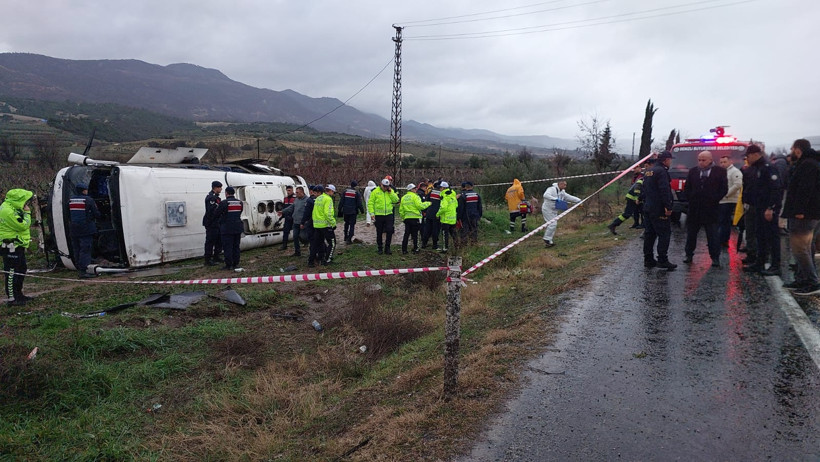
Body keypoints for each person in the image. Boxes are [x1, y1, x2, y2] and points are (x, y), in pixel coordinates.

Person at [781, 139, 820, 294]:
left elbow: (805, 188)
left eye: (793, 148)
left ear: (798, 149)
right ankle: (802, 279)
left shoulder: (807, 165)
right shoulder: (811, 163)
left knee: (800, 248)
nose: (791, 151)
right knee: (806, 247)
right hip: (810, 213)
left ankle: (812, 282)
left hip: (804, 214)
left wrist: (799, 210)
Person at [742, 145, 783, 276]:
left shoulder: (768, 167)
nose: (747, 159)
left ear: (755, 154)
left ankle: (776, 265)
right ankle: (760, 262)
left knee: (772, 237)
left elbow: (776, 188)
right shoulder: (756, 168)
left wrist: (771, 207)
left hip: (767, 208)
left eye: (748, 156)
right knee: (760, 236)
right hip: (758, 207)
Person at [682, 151, 728, 268]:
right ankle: (688, 255)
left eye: (703, 160)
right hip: (695, 209)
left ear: (710, 160)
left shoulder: (720, 171)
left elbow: (723, 189)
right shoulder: (693, 171)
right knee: (691, 234)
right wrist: (691, 198)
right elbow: (687, 188)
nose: (701, 162)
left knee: (712, 235)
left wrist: (714, 199)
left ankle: (715, 258)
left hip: (711, 209)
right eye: (699, 160)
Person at [642, 151, 678, 270]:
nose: (671, 161)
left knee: (650, 234)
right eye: (670, 159)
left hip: (648, 207)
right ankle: (662, 259)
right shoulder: (662, 172)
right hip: (659, 209)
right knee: (664, 234)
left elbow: (644, 189)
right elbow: (664, 191)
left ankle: (648, 259)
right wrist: (668, 207)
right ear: (666, 160)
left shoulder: (649, 171)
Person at [0, 189, 34, 305]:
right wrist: (27, 213)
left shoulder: (12, 208)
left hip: (17, 244)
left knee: (21, 268)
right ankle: (12, 298)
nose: (26, 204)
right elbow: (22, 225)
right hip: (10, 245)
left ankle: (19, 294)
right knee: (11, 271)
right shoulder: (8, 211)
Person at [69, 183, 102, 277]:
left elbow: (68, 215)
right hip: (86, 229)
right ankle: (84, 270)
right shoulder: (88, 200)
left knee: (77, 249)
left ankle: (79, 267)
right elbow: (96, 214)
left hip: (74, 229)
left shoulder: (70, 200)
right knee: (85, 249)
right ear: (84, 191)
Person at [542, 181, 581, 248]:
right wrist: (555, 199)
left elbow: (569, 197)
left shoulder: (562, 192)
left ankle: (549, 241)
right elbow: (545, 195)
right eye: (564, 185)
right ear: (560, 184)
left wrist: (579, 200)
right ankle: (547, 239)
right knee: (552, 224)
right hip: (547, 209)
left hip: (554, 210)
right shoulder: (551, 189)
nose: (565, 186)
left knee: (553, 225)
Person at [368, 178, 400, 255]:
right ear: (381, 185)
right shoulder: (375, 192)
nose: (385, 188)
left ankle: (387, 247)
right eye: (384, 186)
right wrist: (372, 214)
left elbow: (396, 200)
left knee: (389, 231)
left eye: (387, 186)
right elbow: (370, 203)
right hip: (379, 215)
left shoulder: (390, 191)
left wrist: (391, 192)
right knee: (379, 232)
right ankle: (380, 248)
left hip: (389, 214)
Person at [215, 186, 244, 270]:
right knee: (236, 246)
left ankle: (229, 264)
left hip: (227, 228)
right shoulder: (240, 203)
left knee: (228, 247)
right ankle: (236, 263)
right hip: (238, 227)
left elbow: (217, 213)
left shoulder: (224, 203)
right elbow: (239, 213)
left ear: (226, 193)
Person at [718, 156, 743, 249]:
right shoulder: (723, 171)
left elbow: (737, 184)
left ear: (730, 161)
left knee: (724, 221)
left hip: (729, 200)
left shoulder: (734, 172)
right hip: (722, 200)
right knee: (722, 221)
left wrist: (727, 194)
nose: (722, 164)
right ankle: (721, 239)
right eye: (721, 162)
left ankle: (723, 240)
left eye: (724, 162)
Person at [399, 183, 430, 254]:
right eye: (415, 188)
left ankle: (404, 249)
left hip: (407, 218)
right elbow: (420, 206)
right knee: (415, 234)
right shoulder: (415, 197)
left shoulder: (403, 197)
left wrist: (403, 217)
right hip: (415, 217)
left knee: (406, 234)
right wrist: (428, 203)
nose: (416, 189)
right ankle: (416, 248)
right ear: (412, 189)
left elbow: (401, 210)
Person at [279, 186, 307, 257]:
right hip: (295, 221)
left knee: (304, 237)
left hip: (303, 222)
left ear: (302, 192)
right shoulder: (296, 200)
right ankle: (297, 252)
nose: (296, 194)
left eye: (297, 192)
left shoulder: (307, 200)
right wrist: (282, 212)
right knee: (295, 237)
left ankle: (310, 246)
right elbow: (291, 207)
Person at [313, 185, 336, 265]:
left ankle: (320, 258)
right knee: (332, 243)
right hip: (326, 225)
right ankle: (328, 260)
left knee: (320, 242)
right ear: (331, 191)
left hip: (317, 225)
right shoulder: (328, 199)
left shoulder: (318, 198)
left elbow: (314, 212)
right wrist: (333, 223)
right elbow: (328, 213)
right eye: (333, 192)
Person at [202, 180, 223, 266]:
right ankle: (208, 259)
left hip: (217, 223)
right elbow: (212, 211)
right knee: (210, 241)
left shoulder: (216, 197)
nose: (221, 189)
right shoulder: (211, 197)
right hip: (211, 223)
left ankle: (216, 256)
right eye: (220, 187)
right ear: (215, 188)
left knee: (219, 240)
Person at [437, 181, 458, 252]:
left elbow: (443, 208)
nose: (439, 189)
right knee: (454, 234)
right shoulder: (453, 196)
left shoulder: (444, 197)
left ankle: (445, 248)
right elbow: (456, 205)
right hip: (453, 219)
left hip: (445, 219)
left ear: (443, 188)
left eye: (440, 187)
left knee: (445, 235)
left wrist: (437, 214)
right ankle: (457, 247)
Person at [421, 181, 442, 249]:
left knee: (427, 229)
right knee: (435, 229)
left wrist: (425, 211)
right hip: (436, 214)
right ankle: (435, 245)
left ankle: (424, 244)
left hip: (429, 213)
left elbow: (426, 200)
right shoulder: (441, 194)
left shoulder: (431, 191)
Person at [280, 185, 296, 251]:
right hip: (287, 217)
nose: (288, 192)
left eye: (289, 190)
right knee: (286, 231)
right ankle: (284, 245)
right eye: (287, 190)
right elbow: (284, 207)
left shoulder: (295, 198)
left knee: (297, 232)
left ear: (292, 190)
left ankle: (304, 242)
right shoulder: (285, 198)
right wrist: (282, 215)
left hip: (294, 217)